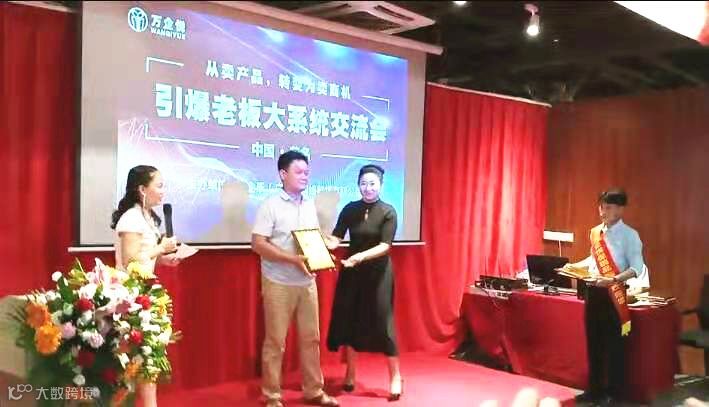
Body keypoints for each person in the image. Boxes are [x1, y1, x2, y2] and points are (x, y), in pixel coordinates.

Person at [251, 151, 339, 407]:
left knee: (311, 339)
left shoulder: (309, 204)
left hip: (307, 282)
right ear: (283, 174)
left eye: (307, 172)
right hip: (278, 281)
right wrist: (292, 260)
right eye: (299, 172)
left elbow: (309, 238)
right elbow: (258, 244)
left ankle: (314, 390)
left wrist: (324, 247)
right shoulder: (270, 205)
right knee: (275, 342)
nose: (304, 177)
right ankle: (272, 395)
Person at [562, 188, 649, 403]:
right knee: (594, 343)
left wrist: (614, 279)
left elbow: (637, 267)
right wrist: (571, 267)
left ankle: (613, 394)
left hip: (615, 295)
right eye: (601, 207)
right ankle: (594, 390)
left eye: (608, 207)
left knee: (614, 347)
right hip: (594, 293)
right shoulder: (595, 233)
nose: (602, 211)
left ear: (620, 209)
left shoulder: (630, 235)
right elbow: (592, 261)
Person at [324, 164, 402, 401]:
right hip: (352, 272)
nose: (368, 188)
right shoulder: (350, 209)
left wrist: (359, 256)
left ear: (380, 185)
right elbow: (336, 238)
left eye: (372, 184)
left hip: (378, 274)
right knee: (350, 320)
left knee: (384, 322)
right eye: (363, 184)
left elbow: (385, 246)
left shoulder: (388, 211)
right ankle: (350, 373)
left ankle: (395, 376)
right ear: (358, 185)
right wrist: (319, 242)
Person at [110, 165, 179, 407]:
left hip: (144, 294)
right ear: (142, 189)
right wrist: (161, 248)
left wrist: (165, 259)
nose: (163, 191)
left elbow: (145, 257)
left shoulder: (148, 217)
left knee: (148, 359)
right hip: (128, 296)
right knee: (131, 360)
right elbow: (130, 261)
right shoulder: (131, 218)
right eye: (159, 186)